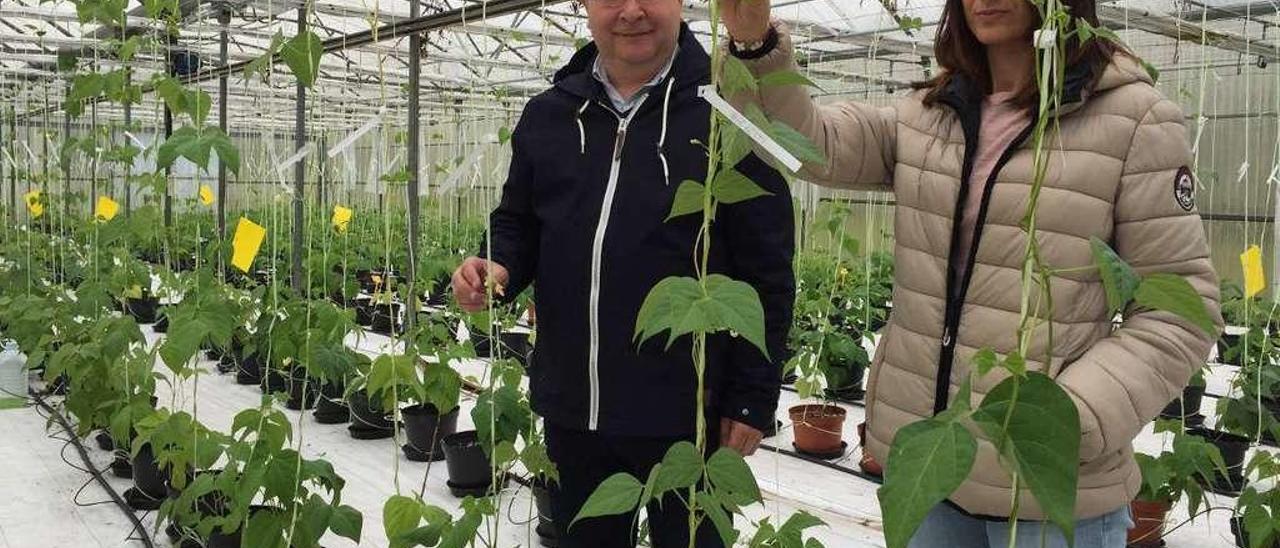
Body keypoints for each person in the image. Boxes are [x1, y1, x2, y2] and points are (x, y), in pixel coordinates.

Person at [722, 0, 1222, 546]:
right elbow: (810, 145)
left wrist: (1066, 418)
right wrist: (755, 44)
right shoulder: (929, 113)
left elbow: (1180, 312)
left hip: (1047, 494)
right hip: (935, 470)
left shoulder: (1133, 119)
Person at [451, 0, 796, 546]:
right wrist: (496, 263)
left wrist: (754, 394)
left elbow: (768, 266)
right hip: (574, 407)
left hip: (689, 418)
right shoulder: (549, 114)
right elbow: (516, 220)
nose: (631, 11)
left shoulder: (731, 112)